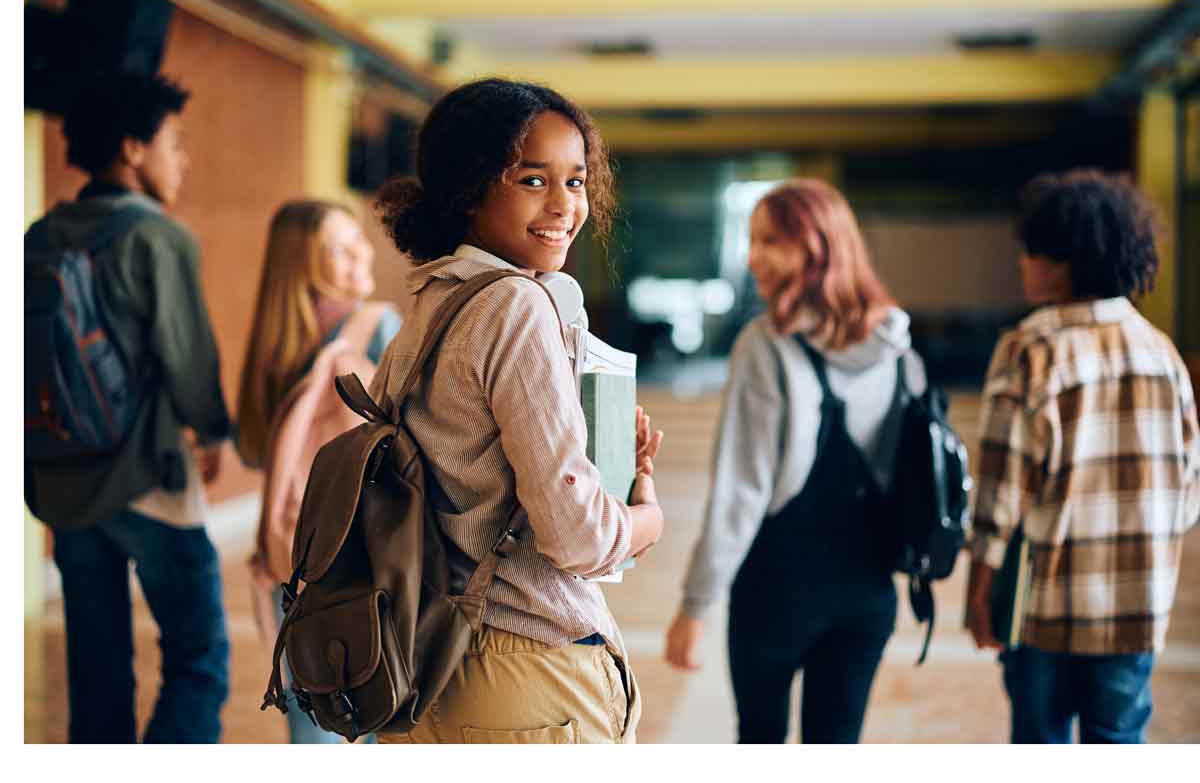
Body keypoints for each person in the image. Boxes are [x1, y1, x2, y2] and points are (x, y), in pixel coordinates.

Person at [367, 77, 664, 744]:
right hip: (525, 672)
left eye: (577, 181)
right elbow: (577, 537)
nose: (564, 205)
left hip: (425, 662)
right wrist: (645, 516)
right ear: (470, 188)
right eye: (533, 180)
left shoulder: (432, 302)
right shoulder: (517, 306)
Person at [664, 178, 926, 743]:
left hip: (777, 591)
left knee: (760, 742)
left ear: (814, 248)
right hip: (869, 592)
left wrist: (695, 606)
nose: (751, 256)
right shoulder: (899, 345)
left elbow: (742, 489)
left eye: (769, 241)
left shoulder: (766, 345)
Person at [26, 72, 232, 743]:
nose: (183, 159)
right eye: (174, 142)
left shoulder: (40, 235)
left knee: (98, 672)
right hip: (149, 477)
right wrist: (215, 433)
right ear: (132, 149)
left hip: (62, 480)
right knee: (199, 664)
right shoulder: (158, 237)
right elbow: (188, 358)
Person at [964, 169, 1200, 743]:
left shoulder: (1031, 348)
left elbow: (1001, 489)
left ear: (1061, 262)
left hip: (1048, 611)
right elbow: (1187, 489)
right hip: (1137, 611)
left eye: (1030, 252)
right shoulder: (1161, 352)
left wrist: (979, 587)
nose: (1023, 264)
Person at [234, 199, 402, 744]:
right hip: (360, 564)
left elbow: (255, 450)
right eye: (339, 246)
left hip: (292, 564)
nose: (360, 254)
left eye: (359, 241)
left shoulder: (275, 350)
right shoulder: (378, 328)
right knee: (364, 719)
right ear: (301, 261)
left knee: (315, 729)